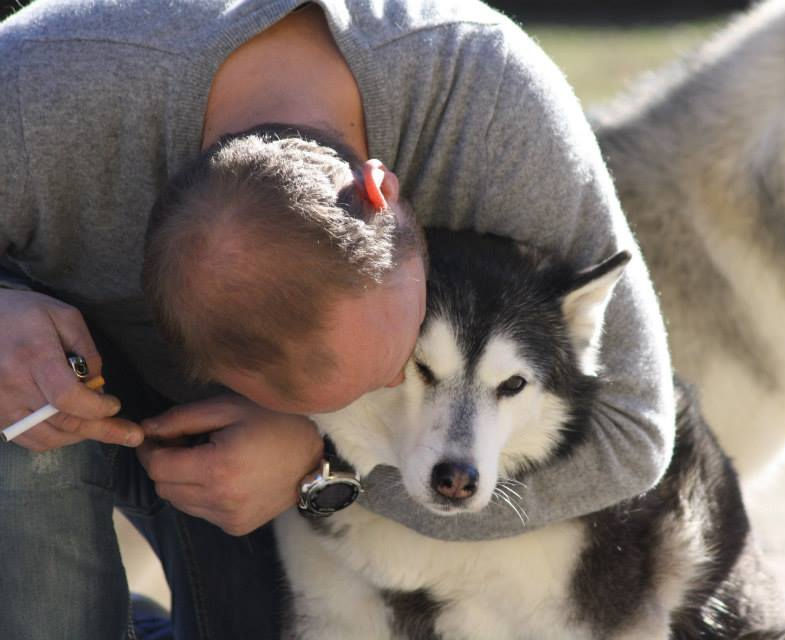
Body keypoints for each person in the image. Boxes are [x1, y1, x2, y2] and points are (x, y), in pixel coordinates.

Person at [0, 1, 675, 639]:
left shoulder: (494, 107)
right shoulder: (32, 97)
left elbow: (635, 433)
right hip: (60, 366)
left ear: (383, 192)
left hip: (264, 458)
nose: (396, 380)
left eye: (403, 360)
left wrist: (321, 465)